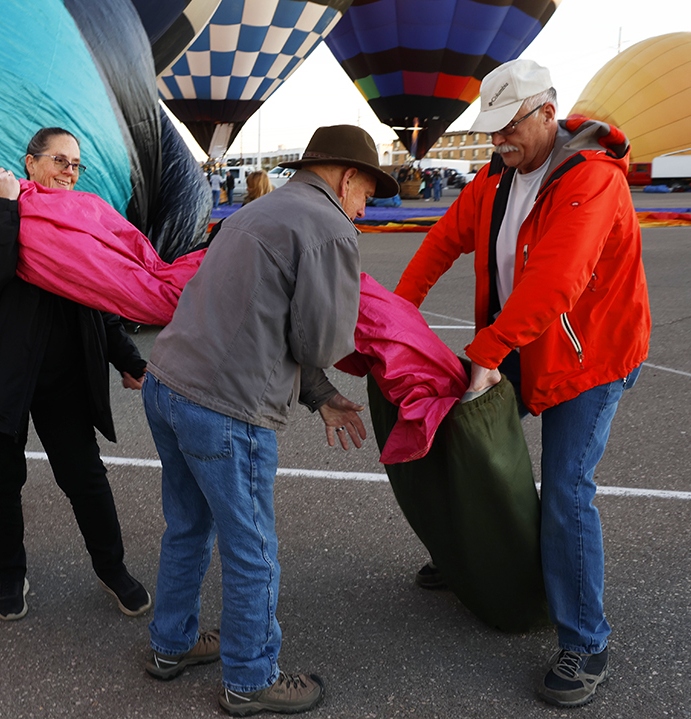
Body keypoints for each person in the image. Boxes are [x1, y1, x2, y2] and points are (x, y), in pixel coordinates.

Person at [394, 59, 650, 708]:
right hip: (519, 339)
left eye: (507, 128)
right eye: (490, 131)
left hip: (585, 355)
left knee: (565, 490)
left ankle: (584, 641)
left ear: (545, 112)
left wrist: (487, 349)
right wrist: (395, 313)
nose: (496, 141)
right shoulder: (493, 178)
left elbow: (556, 282)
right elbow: (440, 243)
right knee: (459, 441)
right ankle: (474, 558)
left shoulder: (591, 181)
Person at [142, 125, 398, 716]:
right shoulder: (330, 226)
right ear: (346, 177)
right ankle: (251, 678)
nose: (366, 207)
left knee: (186, 527)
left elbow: (255, 315)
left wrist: (318, 396)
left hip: (168, 383)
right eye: (367, 193)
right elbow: (321, 339)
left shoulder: (256, 211)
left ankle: (170, 645)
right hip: (225, 409)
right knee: (251, 547)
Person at [0, 127, 152, 622]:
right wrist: (5, 205)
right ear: (30, 163)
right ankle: (11, 574)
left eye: (76, 164)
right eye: (59, 160)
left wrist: (129, 360)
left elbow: (100, 302)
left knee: (85, 477)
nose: (68, 172)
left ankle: (112, 568)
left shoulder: (81, 218)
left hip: (64, 379)